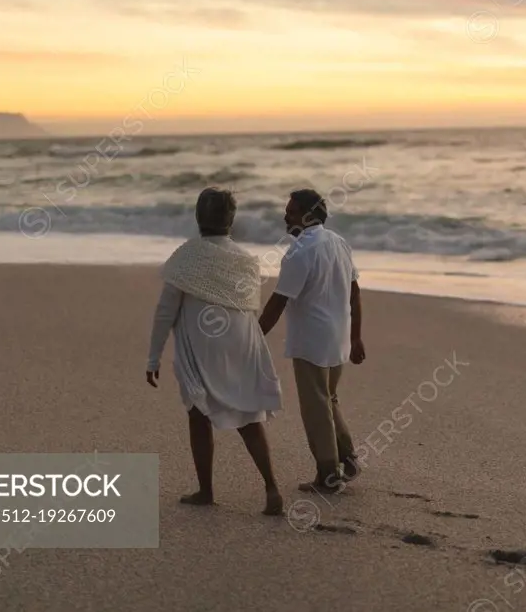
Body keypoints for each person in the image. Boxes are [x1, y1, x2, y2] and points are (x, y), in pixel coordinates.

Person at [146, 187, 284, 516]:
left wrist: (153, 357)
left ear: (197, 218)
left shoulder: (187, 256)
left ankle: (206, 490)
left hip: (203, 347)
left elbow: (165, 311)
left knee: (198, 413)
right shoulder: (246, 261)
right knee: (250, 418)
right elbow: (249, 307)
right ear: (232, 220)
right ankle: (271, 487)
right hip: (243, 343)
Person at [259, 188, 365, 495]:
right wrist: (356, 336)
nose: (285, 216)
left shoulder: (300, 251)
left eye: (291, 212)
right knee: (329, 398)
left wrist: (253, 336)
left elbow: (278, 302)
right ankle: (349, 459)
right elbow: (355, 292)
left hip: (312, 342)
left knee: (316, 405)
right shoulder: (338, 242)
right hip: (339, 337)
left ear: (307, 216)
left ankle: (328, 475)